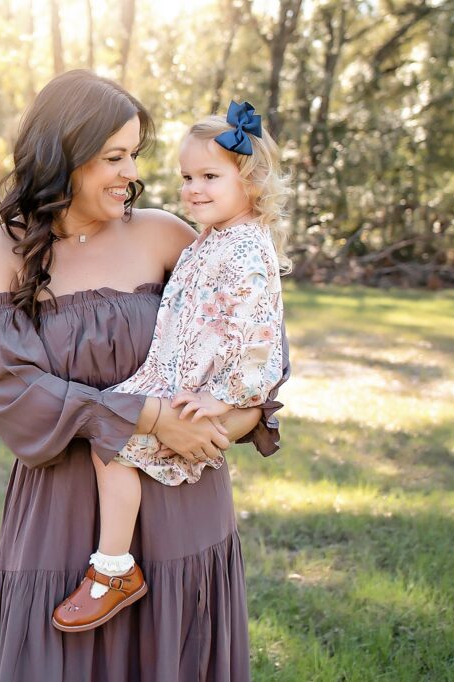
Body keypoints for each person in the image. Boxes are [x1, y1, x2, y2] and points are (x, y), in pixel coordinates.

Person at [0, 70, 290, 681]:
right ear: (64, 157)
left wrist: (237, 419)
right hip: (62, 511)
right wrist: (146, 414)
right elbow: (12, 393)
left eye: (134, 155)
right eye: (115, 156)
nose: (133, 173)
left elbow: (248, 336)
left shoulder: (166, 234)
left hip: (182, 506)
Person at [51, 100, 289, 634]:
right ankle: (114, 567)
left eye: (210, 176)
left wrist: (227, 399)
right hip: (177, 376)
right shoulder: (214, 238)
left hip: (206, 389)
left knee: (113, 446)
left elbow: (256, 334)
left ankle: (113, 570)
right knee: (112, 435)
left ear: (250, 182)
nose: (193, 188)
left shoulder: (247, 248)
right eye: (186, 177)